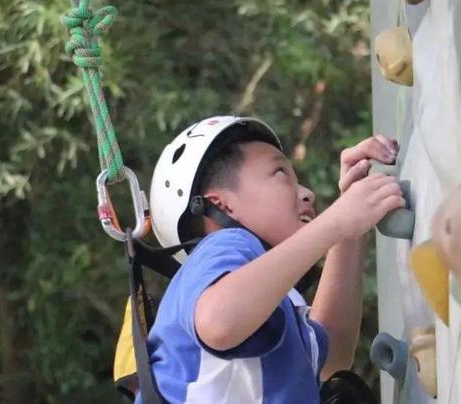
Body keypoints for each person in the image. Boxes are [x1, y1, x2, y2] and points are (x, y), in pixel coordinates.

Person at [138, 116, 404, 403]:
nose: (307, 194)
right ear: (221, 204)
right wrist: (336, 222)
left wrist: (350, 228)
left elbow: (332, 354)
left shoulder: (269, 304)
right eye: (280, 173)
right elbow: (217, 320)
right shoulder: (225, 244)